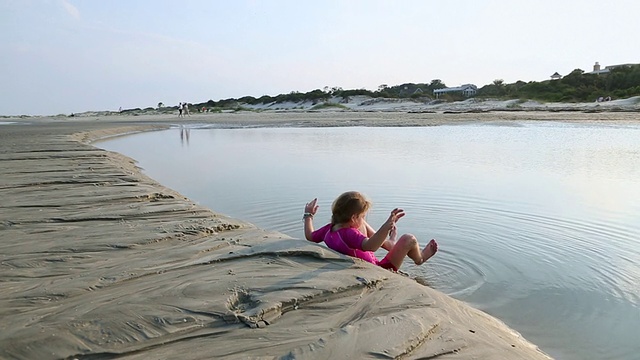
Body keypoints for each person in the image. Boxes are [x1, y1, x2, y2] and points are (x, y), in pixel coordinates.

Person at [303, 191, 437, 272]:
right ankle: (420, 258)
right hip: (380, 269)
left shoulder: (329, 229)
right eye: (362, 216)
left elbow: (310, 236)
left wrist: (308, 215)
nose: (363, 219)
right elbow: (371, 246)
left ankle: (393, 241)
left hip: (372, 261)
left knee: (384, 241)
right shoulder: (349, 234)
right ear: (354, 217)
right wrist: (387, 225)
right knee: (409, 239)